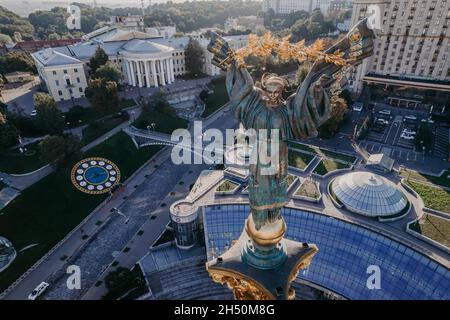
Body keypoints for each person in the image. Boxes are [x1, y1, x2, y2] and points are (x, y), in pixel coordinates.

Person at [207, 19, 375, 245]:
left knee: (276, 186)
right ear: (263, 89)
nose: (274, 96)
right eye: (269, 91)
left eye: (278, 92)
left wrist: (316, 83)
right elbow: (242, 85)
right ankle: (259, 217)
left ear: (283, 92)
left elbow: (308, 97)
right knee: (259, 187)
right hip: (259, 158)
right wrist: (233, 60)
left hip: (278, 157)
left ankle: (274, 215)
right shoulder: (254, 104)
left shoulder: (287, 112)